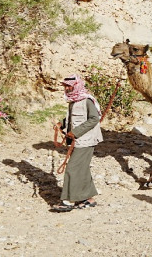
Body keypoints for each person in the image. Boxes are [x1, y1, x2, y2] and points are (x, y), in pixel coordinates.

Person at [52, 75, 103, 211]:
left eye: (69, 86)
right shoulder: (73, 101)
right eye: (65, 86)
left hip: (86, 140)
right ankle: (88, 198)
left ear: (76, 86)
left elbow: (94, 119)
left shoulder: (87, 101)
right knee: (82, 168)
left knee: (73, 168)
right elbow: (71, 118)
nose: (67, 88)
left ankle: (68, 201)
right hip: (78, 140)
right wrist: (61, 124)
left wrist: (77, 132)